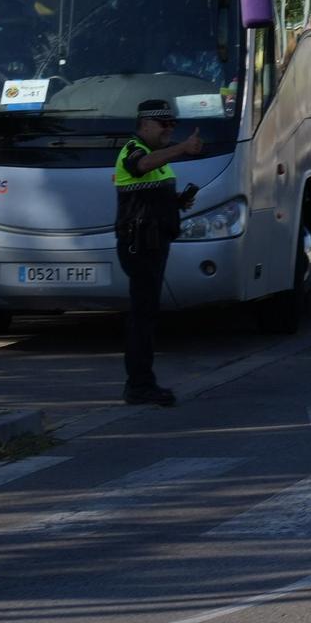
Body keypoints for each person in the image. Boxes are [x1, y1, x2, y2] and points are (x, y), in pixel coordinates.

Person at [112, 99, 203, 406]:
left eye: (173, 125)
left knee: (147, 314)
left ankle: (142, 383)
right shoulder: (133, 150)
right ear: (145, 124)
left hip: (153, 242)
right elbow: (139, 167)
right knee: (142, 316)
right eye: (164, 124)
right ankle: (139, 385)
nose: (169, 130)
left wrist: (176, 202)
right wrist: (182, 148)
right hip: (139, 244)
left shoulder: (156, 155)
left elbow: (147, 194)